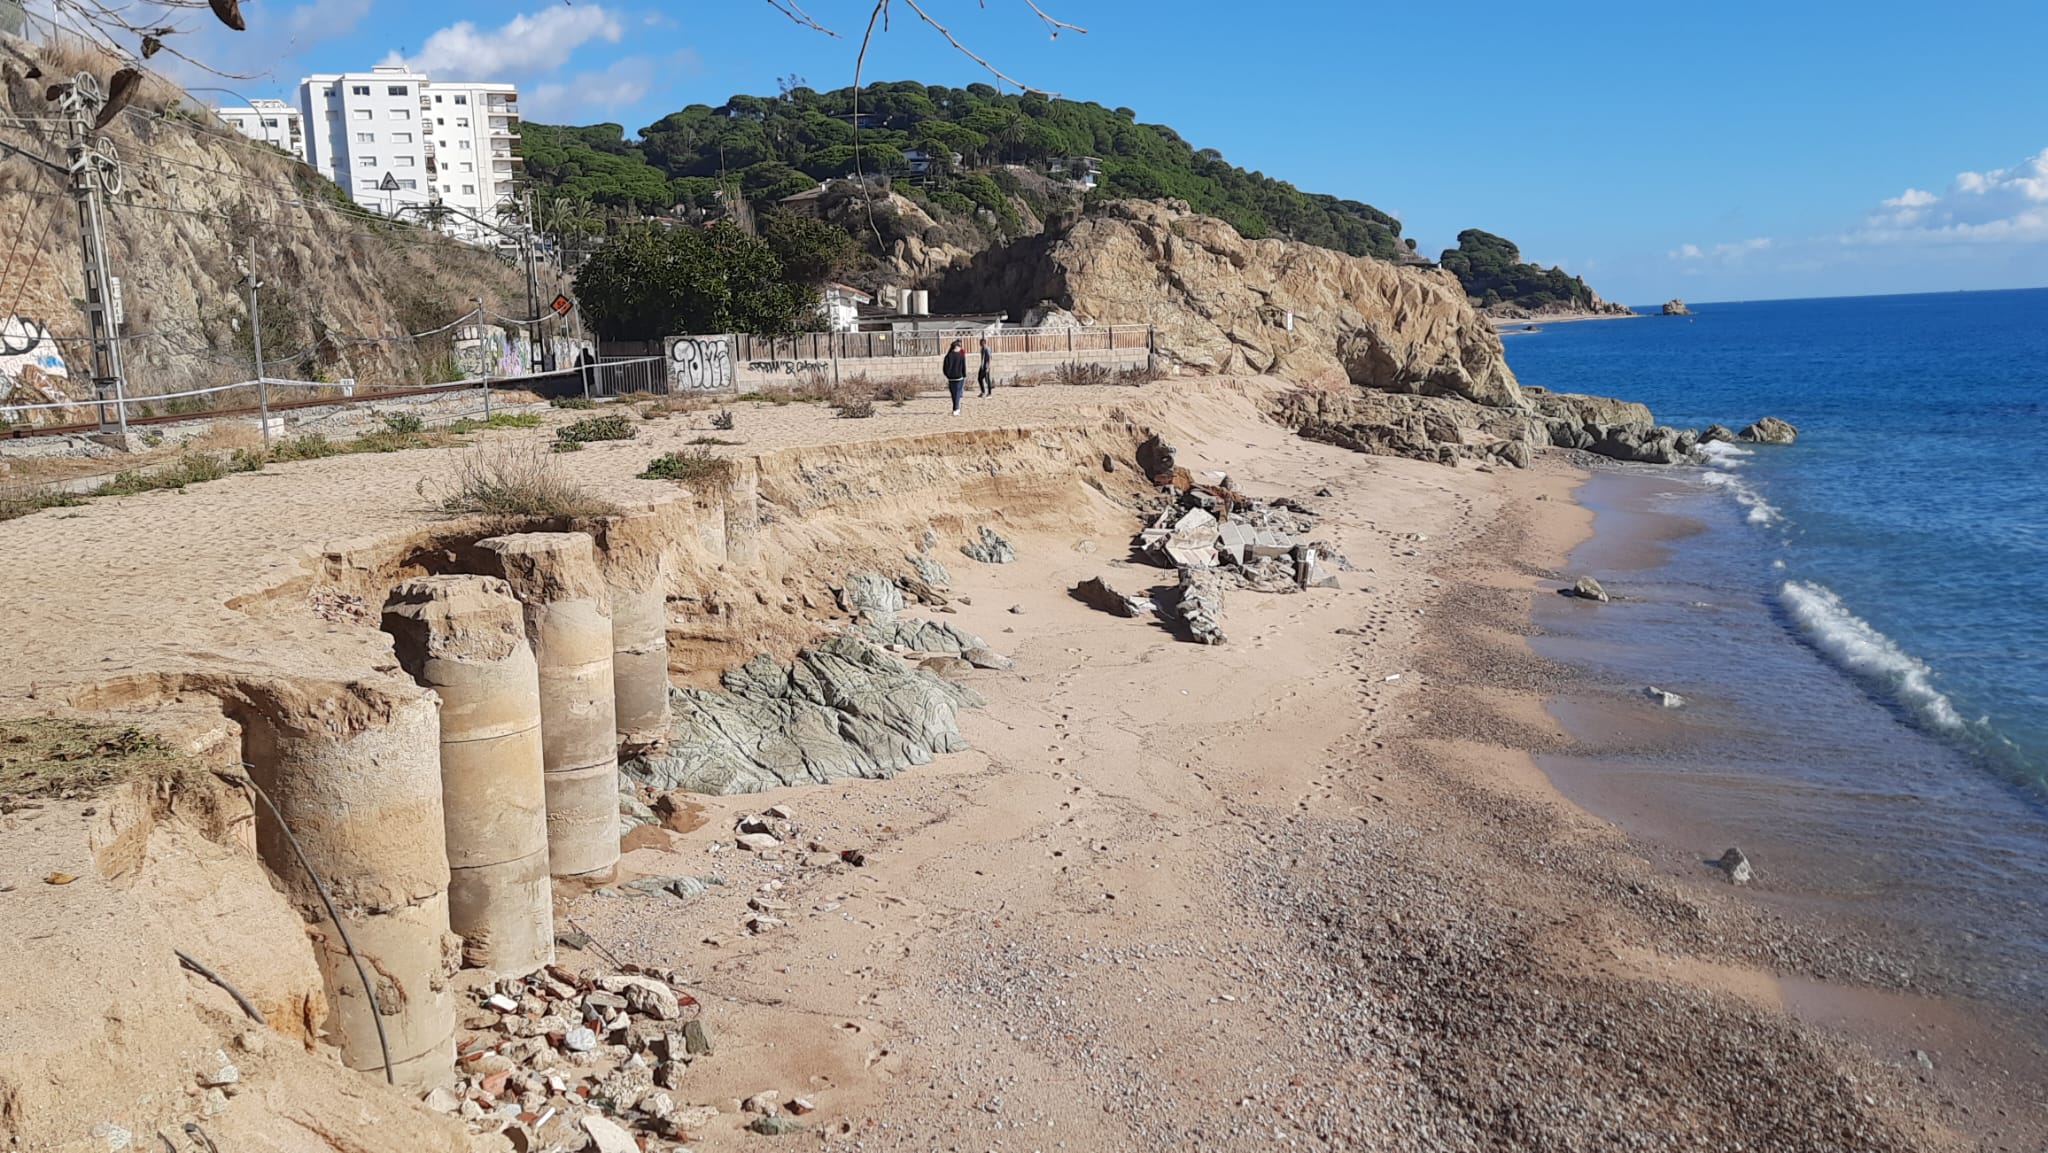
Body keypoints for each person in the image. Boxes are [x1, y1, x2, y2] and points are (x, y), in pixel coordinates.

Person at [941, 339, 968, 416]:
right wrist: (964, 375)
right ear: (956, 347)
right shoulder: (960, 356)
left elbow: (944, 368)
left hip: (951, 378)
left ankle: (955, 408)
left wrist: (947, 375)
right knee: (958, 393)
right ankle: (956, 408)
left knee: (953, 394)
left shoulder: (948, 356)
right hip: (959, 377)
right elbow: (963, 367)